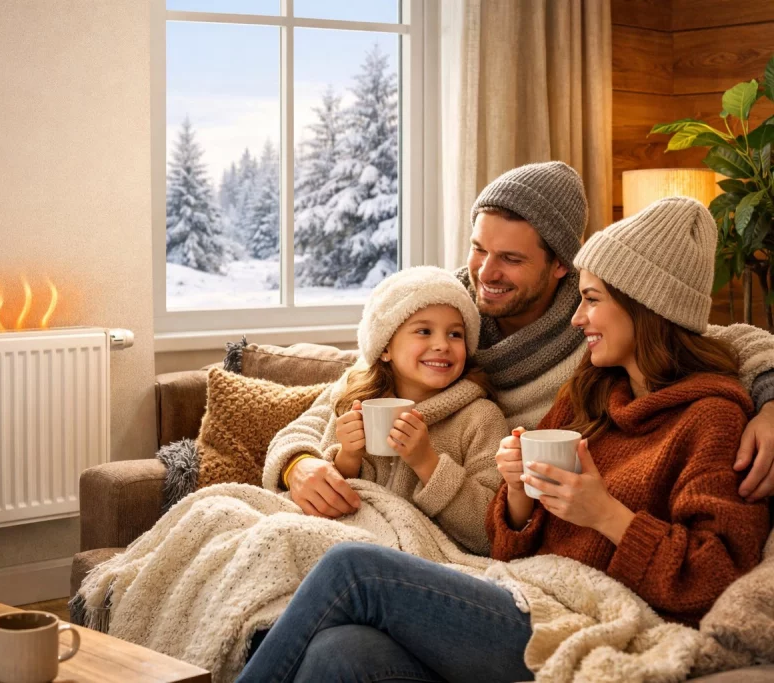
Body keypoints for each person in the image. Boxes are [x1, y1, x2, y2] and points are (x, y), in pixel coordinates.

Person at [237, 197, 771, 683]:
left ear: (644, 308)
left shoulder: (713, 420)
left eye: (591, 299)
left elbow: (716, 577)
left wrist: (605, 514)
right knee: (341, 652)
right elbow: (509, 543)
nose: (578, 317)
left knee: (351, 568)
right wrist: (517, 496)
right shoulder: (585, 389)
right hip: (522, 591)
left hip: (585, 617)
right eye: (479, 250)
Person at [266, 162, 774, 522]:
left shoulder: (595, 327)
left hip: (492, 508)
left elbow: (723, 341)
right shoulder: (441, 310)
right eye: (478, 248)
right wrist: (299, 465)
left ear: (559, 266)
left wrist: (771, 402)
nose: (485, 272)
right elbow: (336, 401)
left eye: (510, 258)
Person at [269, 266, 508, 554]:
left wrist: (426, 463)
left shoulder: (480, 418)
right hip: (339, 536)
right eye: (424, 331)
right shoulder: (354, 396)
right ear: (385, 347)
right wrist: (346, 457)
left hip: (418, 558)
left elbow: (490, 531)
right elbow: (325, 486)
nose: (442, 345)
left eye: (455, 334)